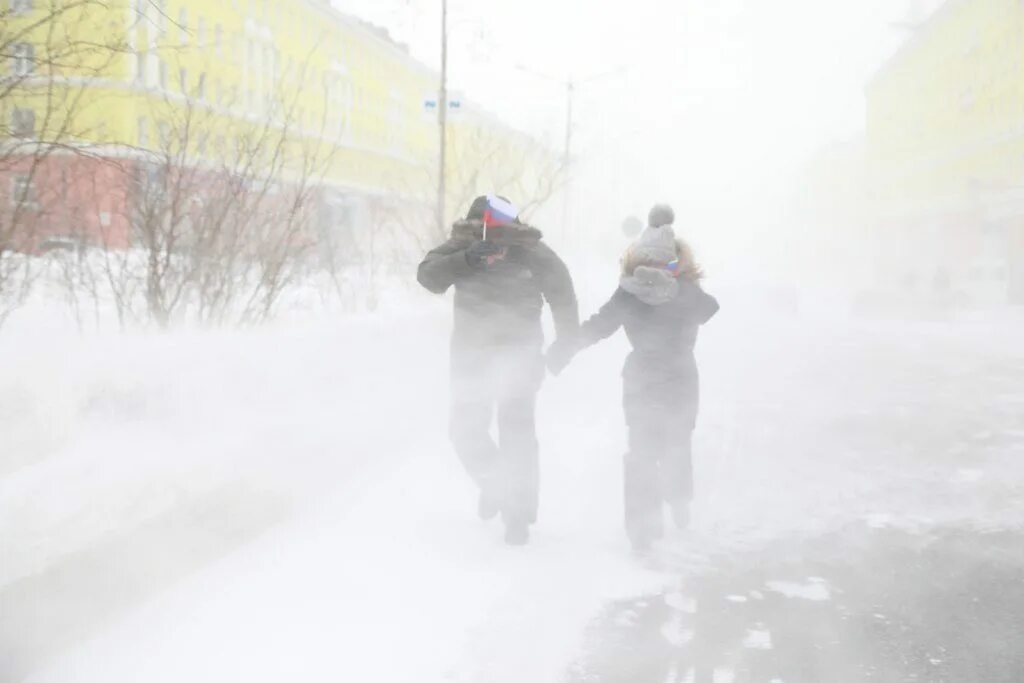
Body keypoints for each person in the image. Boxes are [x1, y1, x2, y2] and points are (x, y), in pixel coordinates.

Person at [547, 204, 718, 554]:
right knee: (642, 451)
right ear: (636, 263)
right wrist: (564, 350)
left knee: (676, 443)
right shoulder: (630, 293)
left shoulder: (685, 293)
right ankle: (643, 526)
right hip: (645, 379)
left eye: (664, 264)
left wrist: (677, 286)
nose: (655, 272)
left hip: (679, 379)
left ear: (675, 264)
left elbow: (709, 309)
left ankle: (679, 499)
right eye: (648, 265)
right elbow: (600, 324)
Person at [417, 195, 579, 545]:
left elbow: (562, 293)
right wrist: (465, 260)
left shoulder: (532, 250)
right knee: (465, 430)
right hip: (471, 358)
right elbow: (428, 277)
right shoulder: (464, 245)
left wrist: (566, 343)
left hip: (520, 355)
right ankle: (498, 485)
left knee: (516, 431)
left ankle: (518, 515)